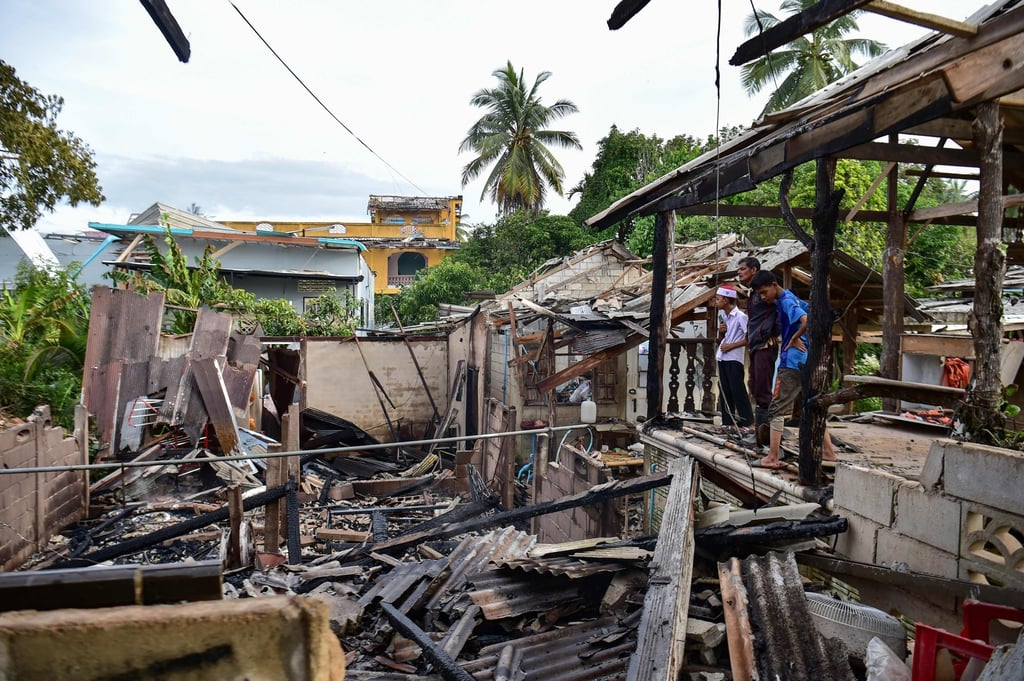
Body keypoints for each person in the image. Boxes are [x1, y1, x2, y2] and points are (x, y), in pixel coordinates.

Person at [749, 270, 837, 468]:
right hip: (806, 360)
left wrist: (796, 337)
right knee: (811, 406)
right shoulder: (791, 298)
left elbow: (806, 321)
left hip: (792, 361)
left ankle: (772, 457)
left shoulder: (787, 300)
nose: (763, 297)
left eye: (764, 292)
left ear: (774, 285)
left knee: (777, 408)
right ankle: (829, 452)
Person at [736, 256, 778, 447]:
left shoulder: (766, 293)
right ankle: (760, 433)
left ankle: (768, 436)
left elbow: (781, 312)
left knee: (762, 390)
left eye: (743, 269)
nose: (739, 272)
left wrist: (770, 333)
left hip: (764, 345)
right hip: (755, 345)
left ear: (754, 270)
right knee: (754, 385)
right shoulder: (753, 294)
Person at [714, 285, 754, 430]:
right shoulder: (723, 317)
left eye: (718, 299)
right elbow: (721, 340)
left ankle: (748, 422)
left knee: (737, 389)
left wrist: (731, 346)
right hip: (723, 357)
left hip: (734, 357)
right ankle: (728, 422)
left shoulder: (741, 317)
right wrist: (720, 333)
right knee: (724, 389)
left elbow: (748, 338)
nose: (716, 302)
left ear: (725, 300)